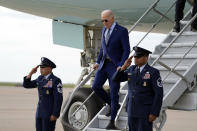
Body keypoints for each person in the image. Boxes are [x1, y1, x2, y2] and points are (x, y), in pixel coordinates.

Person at [92, 9, 130, 129]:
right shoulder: (104, 30)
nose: (104, 22)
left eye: (106, 20)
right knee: (95, 86)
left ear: (112, 18)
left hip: (115, 66)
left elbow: (126, 50)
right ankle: (113, 106)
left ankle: (112, 121)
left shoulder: (122, 31)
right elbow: (103, 49)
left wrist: (121, 64)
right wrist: (98, 62)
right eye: (102, 20)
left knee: (114, 93)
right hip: (104, 65)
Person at [112, 46, 163, 131]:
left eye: (138, 57)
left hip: (145, 112)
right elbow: (115, 79)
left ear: (146, 57)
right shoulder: (131, 69)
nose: (135, 59)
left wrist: (154, 113)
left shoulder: (153, 72)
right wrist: (123, 67)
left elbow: (158, 94)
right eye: (135, 57)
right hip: (132, 111)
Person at [23, 57, 63, 131]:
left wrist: (55, 114)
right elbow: (27, 85)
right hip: (39, 113)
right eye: (40, 67)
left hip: (49, 114)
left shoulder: (55, 80)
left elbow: (58, 99)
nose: (41, 69)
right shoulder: (40, 78)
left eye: (43, 67)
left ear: (50, 68)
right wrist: (31, 73)